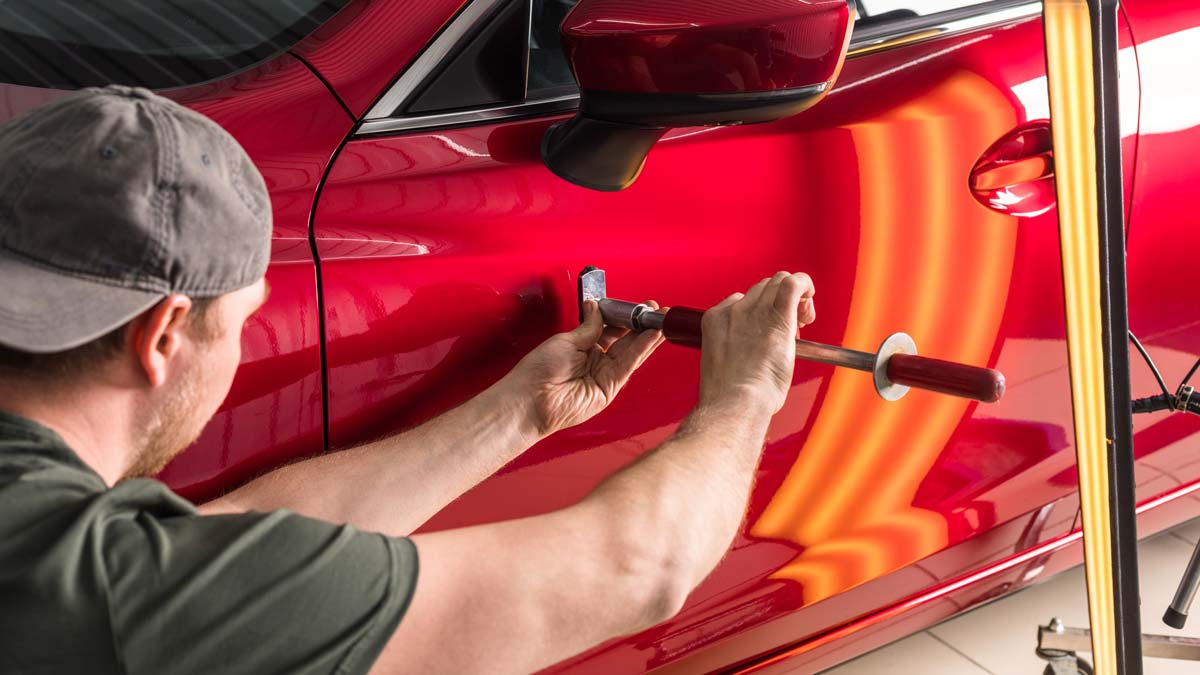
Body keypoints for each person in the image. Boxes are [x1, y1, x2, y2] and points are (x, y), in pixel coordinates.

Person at [0, 86, 816, 675]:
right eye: (242, 320)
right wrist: (746, 394)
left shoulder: (71, 555)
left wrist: (516, 415)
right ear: (165, 334)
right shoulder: (115, 595)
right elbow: (637, 567)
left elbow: (232, 539)